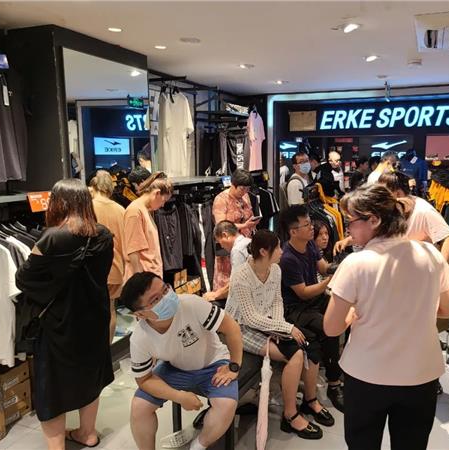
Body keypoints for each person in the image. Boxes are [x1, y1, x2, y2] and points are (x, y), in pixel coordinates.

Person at [323, 184, 449, 450]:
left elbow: (331, 327)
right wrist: (419, 310)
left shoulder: (356, 263)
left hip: (366, 374)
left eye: (351, 222)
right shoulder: (430, 254)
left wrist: (353, 314)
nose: (348, 230)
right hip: (420, 374)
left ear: (374, 220)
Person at [16, 179, 114, 450]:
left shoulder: (52, 238)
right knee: (90, 376)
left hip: (58, 324)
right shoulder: (104, 235)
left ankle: (56, 446)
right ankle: (87, 433)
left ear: (58, 204)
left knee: (53, 388)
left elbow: (23, 279)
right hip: (94, 319)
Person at [121, 272, 243, 450]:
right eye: (156, 299)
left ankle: (199, 445)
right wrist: (179, 396)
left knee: (226, 404)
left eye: (165, 289)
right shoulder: (140, 338)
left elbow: (231, 327)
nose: (167, 297)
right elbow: (144, 380)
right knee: (139, 407)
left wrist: (234, 366)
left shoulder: (191, 304)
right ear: (140, 313)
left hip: (213, 363)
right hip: (175, 368)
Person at [226, 230, 327, 439]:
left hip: (268, 322)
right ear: (264, 251)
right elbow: (250, 318)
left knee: (310, 345)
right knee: (295, 353)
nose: (282, 251)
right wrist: (286, 328)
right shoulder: (241, 276)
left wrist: (280, 326)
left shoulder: (275, 270)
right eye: (278, 247)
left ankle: (310, 401)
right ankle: (290, 415)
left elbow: (277, 301)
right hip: (240, 328)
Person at [279, 205, 344, 412]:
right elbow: (303, 292)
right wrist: (329, 281)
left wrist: (340, 267)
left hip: (314, 299)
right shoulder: (288, 258)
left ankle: (340, 367)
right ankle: (333, 383)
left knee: (346, 312)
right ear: (293, 231)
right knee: (330, 328)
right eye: (306, 225)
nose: (311, 228)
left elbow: (323, 267)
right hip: (296, 309)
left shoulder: (309, 245)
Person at [334, 170, 449, 264]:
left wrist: (442, 268)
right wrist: (349, 240)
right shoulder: (387, 209)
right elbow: (378, 234)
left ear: (397, 193)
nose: (378, 196)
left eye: (382, 191)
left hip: (418, 267)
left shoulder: (423, 210)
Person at [208, 169, 258, 302]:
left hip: (245, 244)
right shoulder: (221, 199)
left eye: (247, 189)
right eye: (242, 188)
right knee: (227, 280)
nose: (244, 191)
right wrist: (244, 225)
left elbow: (248, 214)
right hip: (228, 246)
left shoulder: (245, 197)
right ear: (233, 184)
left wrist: (252, 223)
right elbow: (221, 226)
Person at [89, 170, 127, 343]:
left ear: (93, 186)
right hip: (116, 268)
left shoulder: (88, 207)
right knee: (110, 310)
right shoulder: (120, 209)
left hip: (94, 270)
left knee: (92, 311)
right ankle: (107, 348)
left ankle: (94, 349)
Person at [124, 172, 173, 279]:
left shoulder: (145, 210)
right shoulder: (135, 211)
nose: (163, 205)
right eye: (164, 200)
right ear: (157, 193)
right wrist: (140, 281)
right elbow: (133, 251)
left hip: (150, 276)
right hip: (144, 279)